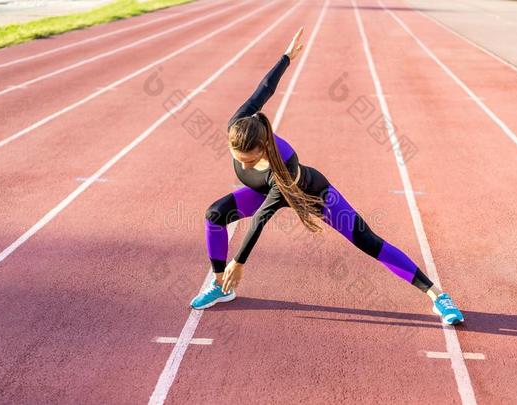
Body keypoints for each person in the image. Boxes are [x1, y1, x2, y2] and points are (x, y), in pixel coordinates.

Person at [189, 27, 464, 325]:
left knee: (367, 240)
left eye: (249, 159)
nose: (240, 161)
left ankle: (439, 296)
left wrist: (239, 262)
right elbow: (264, 89)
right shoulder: (239, 127)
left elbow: (261, 218)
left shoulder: (285, 163)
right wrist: (285, 58)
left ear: (262, 150)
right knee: (214, 215)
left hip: (311, 195)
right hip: (263, 192)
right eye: (236, 157)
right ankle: (220, 287)